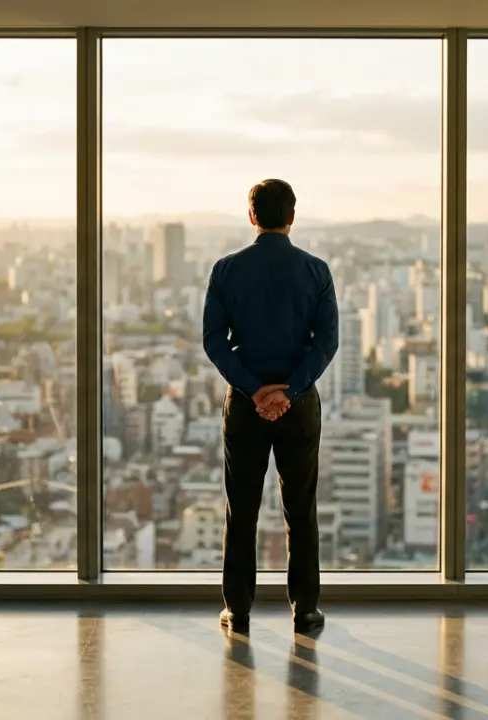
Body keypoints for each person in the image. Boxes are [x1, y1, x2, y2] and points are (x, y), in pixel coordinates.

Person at [202, 179, 338, 634]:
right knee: (300, 508)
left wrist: (253, 390)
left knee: (241, 508)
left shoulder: (226, 270)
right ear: (292, 216)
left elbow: (213, 341)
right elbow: (328, 342)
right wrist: (290, 390)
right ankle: (305, 610)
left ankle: (237, 610)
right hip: (298, 406)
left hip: (244, 405)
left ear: (251, 216)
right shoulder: (316, 271)